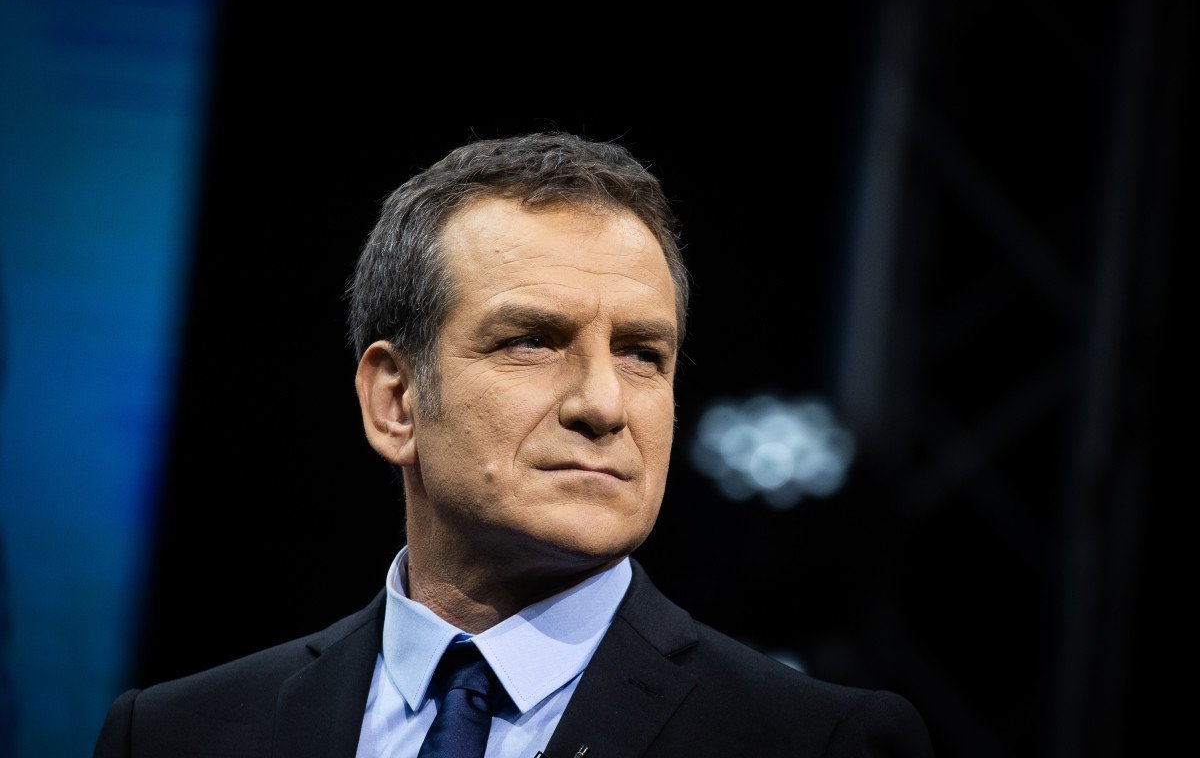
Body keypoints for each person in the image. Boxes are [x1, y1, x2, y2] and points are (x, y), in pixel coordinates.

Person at [93, 131, 935, 757]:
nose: (604, 404)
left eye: (643, 354)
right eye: (532, 341)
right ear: (395, 402)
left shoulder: (817, 742)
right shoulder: (174, 735)